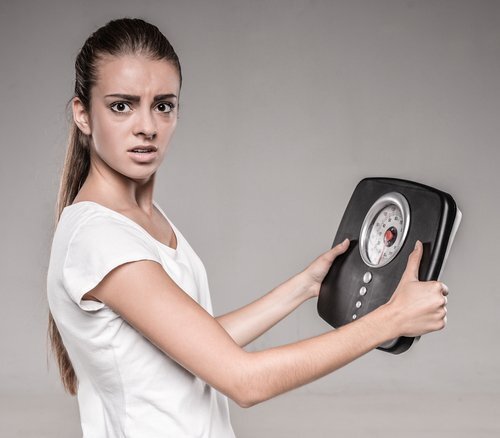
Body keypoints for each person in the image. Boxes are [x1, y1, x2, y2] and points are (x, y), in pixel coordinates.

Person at [46, 17, 449, 438]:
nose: (147, 126)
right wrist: (390, 320)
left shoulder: (142, 219)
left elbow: (198, 346)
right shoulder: (101, 239)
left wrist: (304, 286)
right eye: (121, 106)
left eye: (162, 105)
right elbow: (245, 381)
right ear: (83, 114)